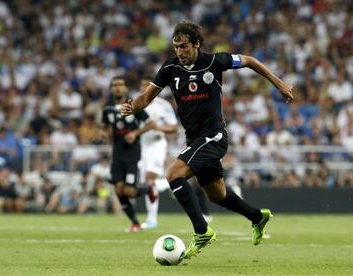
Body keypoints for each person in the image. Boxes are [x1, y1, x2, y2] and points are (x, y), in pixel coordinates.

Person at [122, 21, 293, 259]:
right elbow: (147, 97)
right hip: (194, 139)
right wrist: (133, 106)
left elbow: (250, 61)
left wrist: (280, 84)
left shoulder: (215, 62)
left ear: (197, 44)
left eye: (184, 46)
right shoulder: (170, 68)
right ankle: (257, 216)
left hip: (214, 135)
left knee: (173, 174)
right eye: (176, 47)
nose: (179, 52)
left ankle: (201, 231)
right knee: (216, 195)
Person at [102, 76, 156, 232]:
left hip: (132, 153)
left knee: (128, 191)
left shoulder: (134, 105)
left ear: (125, 88)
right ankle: (135, 223)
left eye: (120, 84)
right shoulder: (108, 108)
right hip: (117, 153)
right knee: (118, 189)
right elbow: (105, 127)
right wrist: (104, 133)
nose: (117, 87)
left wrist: (135, 133)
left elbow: (151, 124)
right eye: (114, 85)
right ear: (112, 88)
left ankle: (148, 191)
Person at [137, 78, 179, 229]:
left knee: (149, 178)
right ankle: (166, 184)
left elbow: (174, 128)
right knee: (145, 182)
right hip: (140, 145)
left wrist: (158, 128)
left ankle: (151, 219)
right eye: (143, 86)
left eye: (148, 86)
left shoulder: (163, 105)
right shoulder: (137, 103)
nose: (145, 89)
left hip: (157, 144)